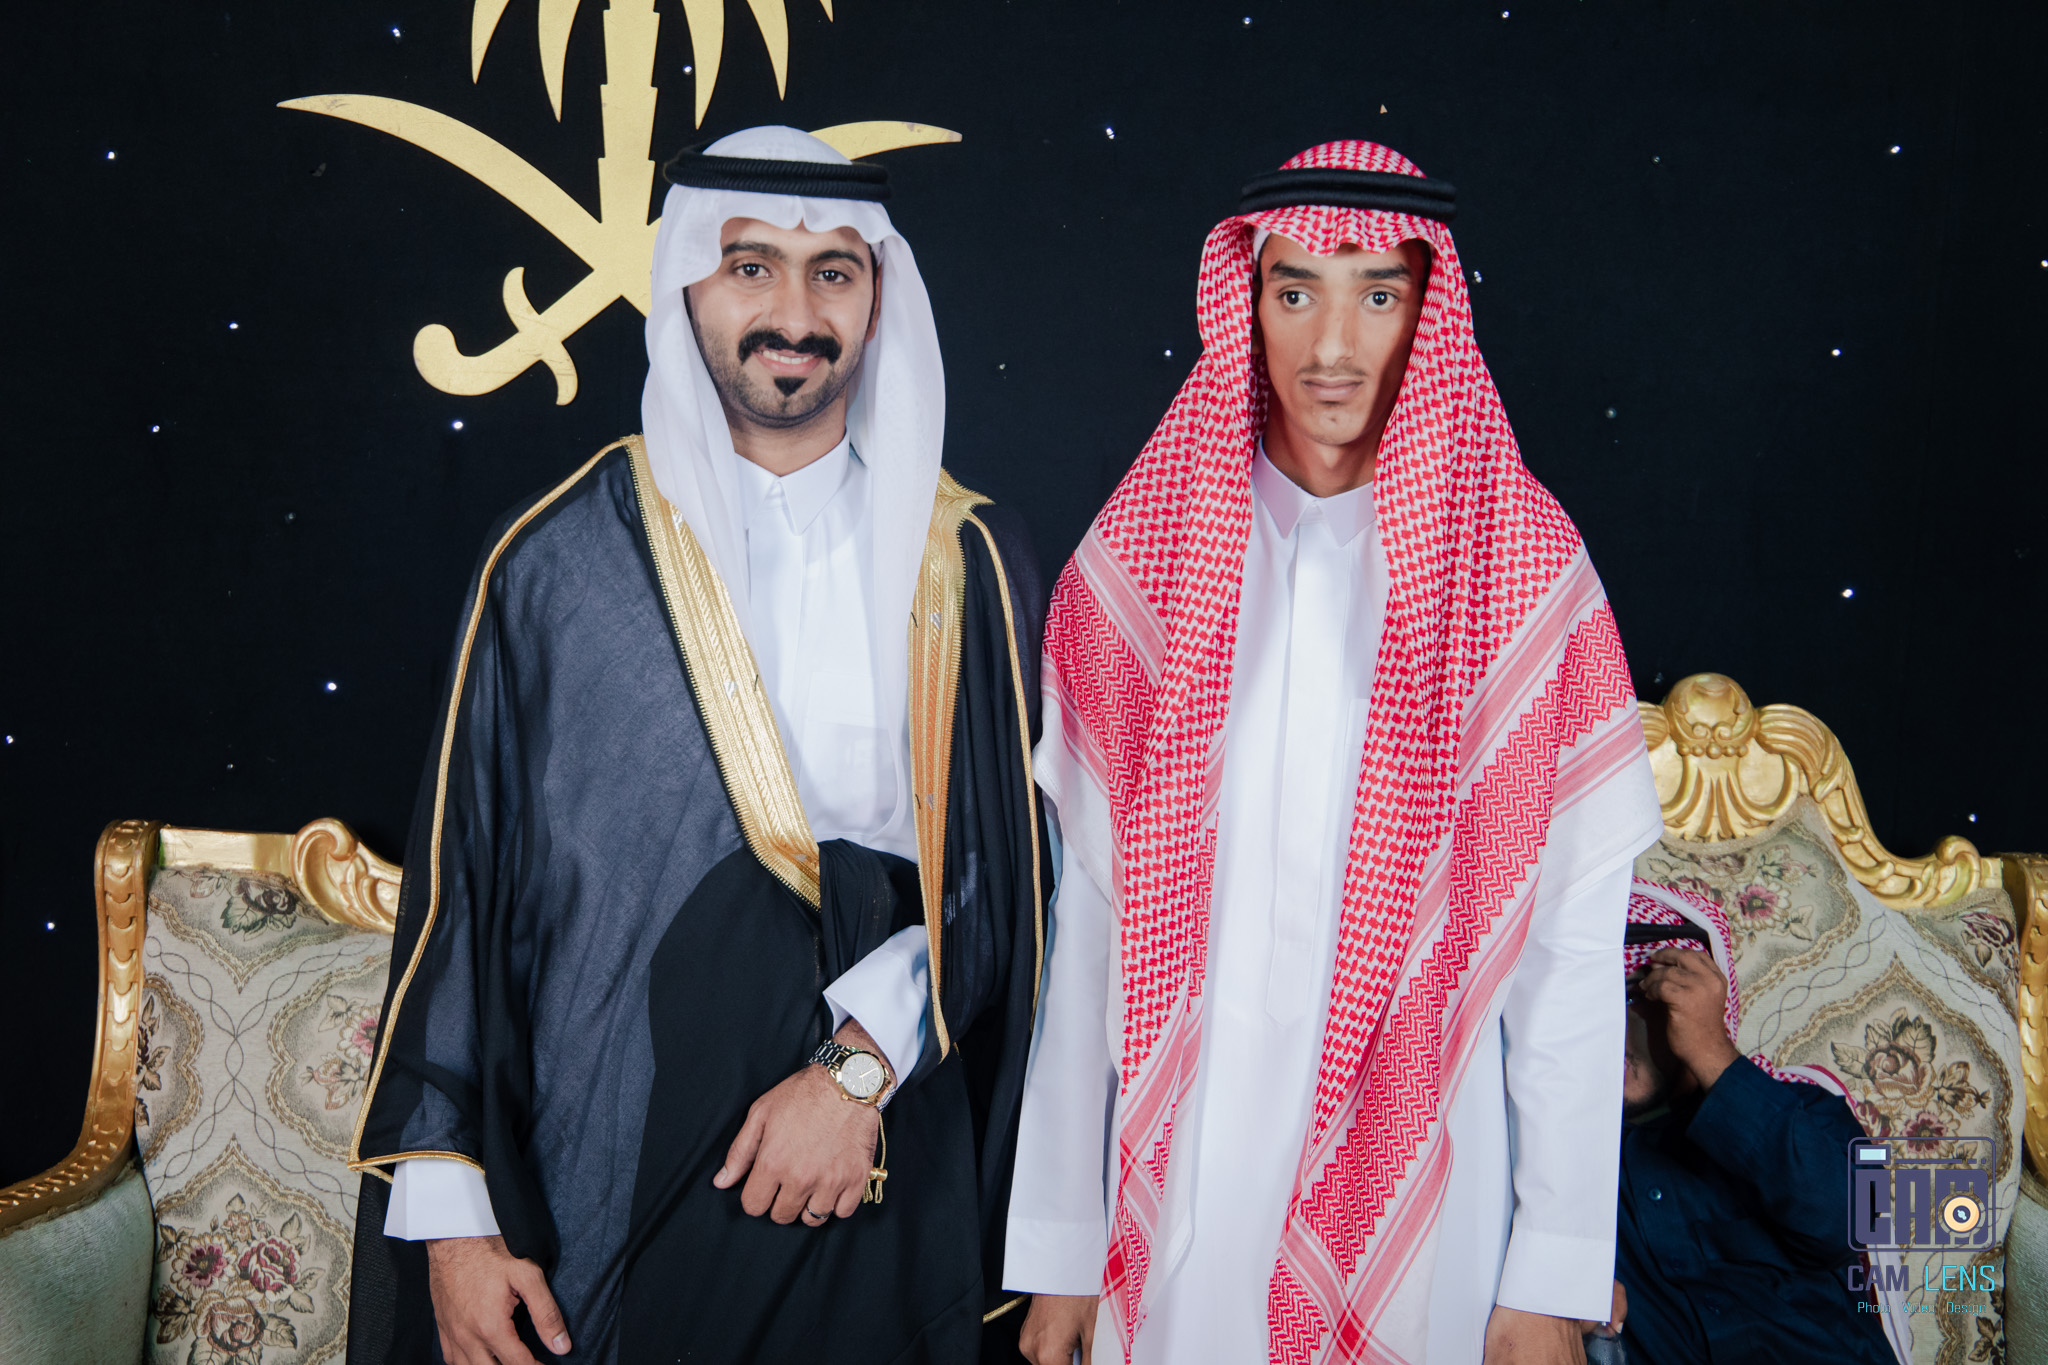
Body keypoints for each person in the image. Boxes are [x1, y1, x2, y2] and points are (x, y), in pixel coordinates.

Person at [342, 126, 1048, 1365]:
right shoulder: (556, 564)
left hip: (873, 1159)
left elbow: (1009, 877)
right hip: (605, 1165)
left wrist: (855, 1070)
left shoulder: (965, 562)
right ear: (684, 286)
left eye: (833, 272)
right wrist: (454, 1232)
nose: (794, 314)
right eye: (750, 266)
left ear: (878, 298)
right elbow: (468, 901)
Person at [1007, 140, 1663, 1365]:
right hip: (1184, 1162)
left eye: (1377, 295)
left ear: (1427, 310)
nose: (1331, 346)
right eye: (1295, 290)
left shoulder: (1520, 571)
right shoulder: (1142, 558)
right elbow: (1087, 926)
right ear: (1245, 303)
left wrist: (1552, 1273)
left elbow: (1568, 958)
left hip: (1426, 1176)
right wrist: (1058, 1243)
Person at [1614, 882, 1907, 1365]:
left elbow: (1854, 1225)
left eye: (1631, 996)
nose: (1606, 1028)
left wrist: (1712, 1051)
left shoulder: (1811, 1105)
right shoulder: (1557, 1165)